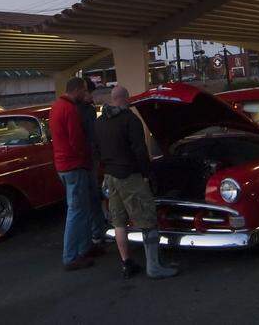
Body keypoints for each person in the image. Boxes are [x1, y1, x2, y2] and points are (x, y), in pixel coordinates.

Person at [94, 85, 177, 279]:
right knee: (147, 219)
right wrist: (147, 173)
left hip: (110, 177)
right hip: (129, 176)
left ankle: (127, 264)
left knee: (119, 222)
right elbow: (140, 150)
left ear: (112, 99)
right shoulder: (130, 120)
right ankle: (154, 266)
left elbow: (95, 150)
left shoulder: (99, 123)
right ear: (126, 98)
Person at [50, 76, 95, 271]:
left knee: (81, 209)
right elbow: (77, 141)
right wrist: (88, 158)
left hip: (63, 165)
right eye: (84, 91)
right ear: (76, 90)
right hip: (74, 165)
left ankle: (84, 248)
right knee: (76, 211)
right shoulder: (70, 110)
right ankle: (70, 256)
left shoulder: (56, 107)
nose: (86, 94)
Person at [77, 80, 109, 253]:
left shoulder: (72, 109)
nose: (92, 97)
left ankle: (91, 235)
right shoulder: (87, 110)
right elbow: (93, 135)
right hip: (89, 159)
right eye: (91, 93)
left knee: (84, 201)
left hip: (79, 161)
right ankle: (97, 234)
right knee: (94, 197)